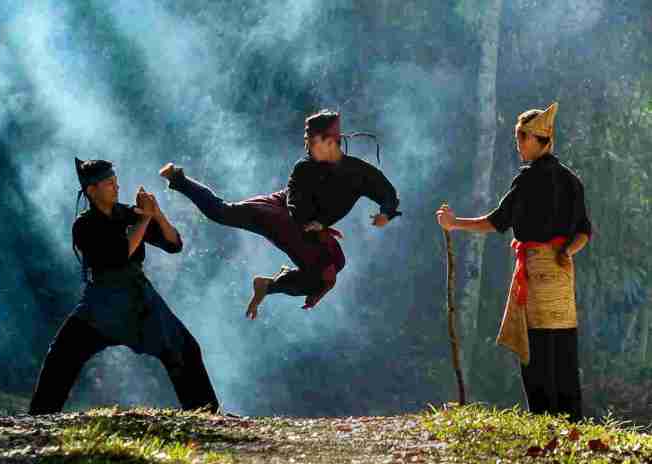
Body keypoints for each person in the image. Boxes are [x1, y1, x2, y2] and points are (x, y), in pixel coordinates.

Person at [160, 109, 401, 319]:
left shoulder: (356, 172)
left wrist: (386, 213)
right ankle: (178, 178)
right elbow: (296, 205)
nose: (307, 146)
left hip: (307, 226)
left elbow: (385, 190)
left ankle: (269, 286)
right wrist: (318, 226)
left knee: (334, 265)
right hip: (283, 213)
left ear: (330, 142)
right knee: (224, 212)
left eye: (312, 141)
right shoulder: (304, 167)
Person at [436, 103, 592, 421]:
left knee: (536, 346)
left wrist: (454, 223)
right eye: (517, 136)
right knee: (562, 345)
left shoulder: (528, 180)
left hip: (536, 271)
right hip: (562, 276)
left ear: (540, 140)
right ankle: (571, 419)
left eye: (523, 137)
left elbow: (496, 222)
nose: (518, 143)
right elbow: (585, 232)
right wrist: (566, 253)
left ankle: (545, 418)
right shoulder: (572, 180)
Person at [28, 157, 219, 414]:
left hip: (139, 298)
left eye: (116, 182)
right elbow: (118, 254)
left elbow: (174, 244)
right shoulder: (84, 225)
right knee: (61, 356)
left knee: (185, 349)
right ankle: (40, 417)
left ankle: (205, 414)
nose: (116, 188)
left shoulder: (128, 213)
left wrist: (157, 214)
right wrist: (143, 221)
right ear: (92, 190)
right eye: (109, 184)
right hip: (102, 303)